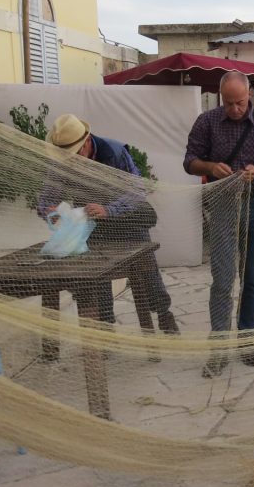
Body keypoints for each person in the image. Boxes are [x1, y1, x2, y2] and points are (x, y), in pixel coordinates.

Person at [184, 71, 254, 377]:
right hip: (222, 203)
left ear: (250, 94)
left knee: (251, 278)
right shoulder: (206, 121)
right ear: (221, 98)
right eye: (228, 103)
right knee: (222, 278)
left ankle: (246, 341)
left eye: (240, 103)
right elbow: (189, 161)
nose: (234, 109)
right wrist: (209, 167)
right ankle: (218, 348)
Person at [40, 113, 179, 333]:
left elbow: (137, 190)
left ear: (86, 142)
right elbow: (47, 199)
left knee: (147, 271)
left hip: (128, 221)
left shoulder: (114, 152)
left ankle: (164, 314)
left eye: (74, 154)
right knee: (96, 276)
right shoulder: (61, 160)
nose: (70, 160)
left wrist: (109, 209)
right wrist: (49, 211)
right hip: (93, 226)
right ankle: (105, 328)